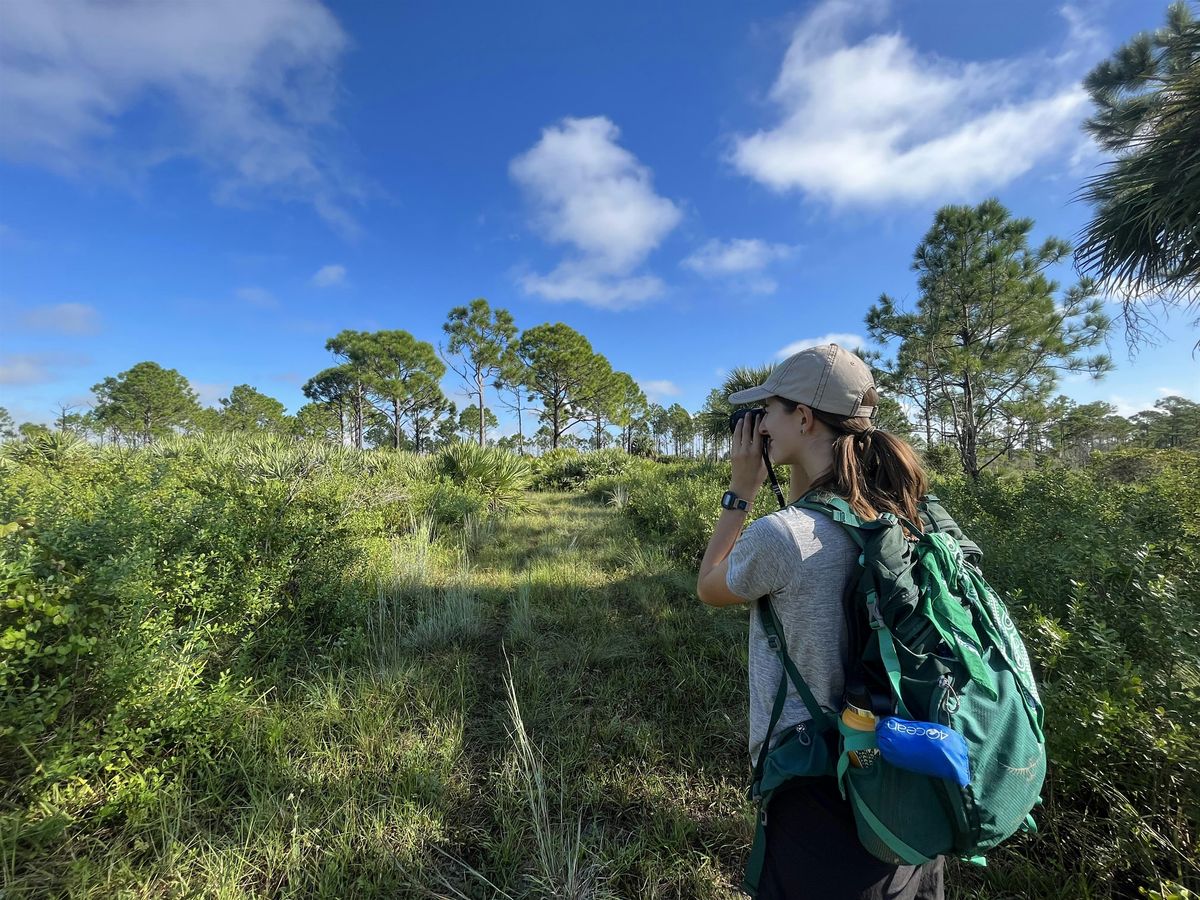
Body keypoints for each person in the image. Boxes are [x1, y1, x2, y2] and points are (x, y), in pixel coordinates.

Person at [695, 344, 945, 900]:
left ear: (803, 418)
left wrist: (743, 488)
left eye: (770, 410)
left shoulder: (784, 535)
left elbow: (710, 585)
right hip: (907, 787)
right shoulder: (904, 514)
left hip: (821, 794)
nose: (759, 426)